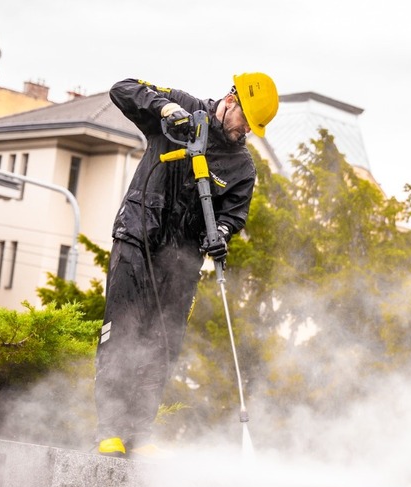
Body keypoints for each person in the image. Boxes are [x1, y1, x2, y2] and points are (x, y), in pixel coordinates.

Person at [94, 73, 278, 457]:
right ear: (231, 99)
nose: (245, 129)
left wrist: (222, 233)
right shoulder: (181, 108)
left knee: (162, 343)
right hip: (138, 235)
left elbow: (235, 214)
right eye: (244, 119)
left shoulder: (241, 165)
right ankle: (110, 430)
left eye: (251, 127)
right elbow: (122, 89)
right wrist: (165, 108)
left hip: (182, 260)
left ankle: (140, 433)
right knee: (124, 331)